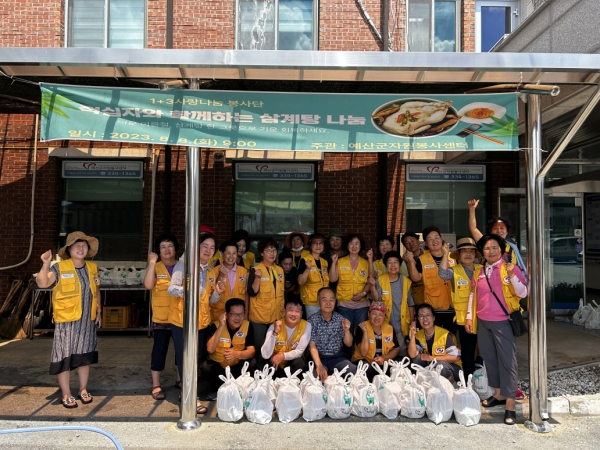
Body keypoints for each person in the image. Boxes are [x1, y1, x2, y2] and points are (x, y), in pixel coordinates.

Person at [465, 234, 528, 426]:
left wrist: (512, 275)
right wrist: (469, 317)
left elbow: (523, 292)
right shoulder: (479, 271)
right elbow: (473, 295)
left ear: (501, 249)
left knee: (508, 361)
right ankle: (498, 393)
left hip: (503, 321)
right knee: (490, 359)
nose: (491, 251)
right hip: (483, 321)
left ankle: (510, 403)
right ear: (482, 252)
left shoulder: (510, 268)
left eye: (494, 247)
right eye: (487, 248)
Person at [36, 231, 101, 409]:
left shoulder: (92, 268)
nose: (81, 248)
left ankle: (83, 389)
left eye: (84, 245)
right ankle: (66, 393)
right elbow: (42, 283)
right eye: (77, 245)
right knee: (64, 356)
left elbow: (96, 291)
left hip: (86, 321)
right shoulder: (59, 267)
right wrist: (46, 264)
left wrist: (99, 311)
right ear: (69, 249)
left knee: (85, 356)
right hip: (66, 322)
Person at [168, 233, 225, 414]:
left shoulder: (209, 271)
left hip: (201, 322)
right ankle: (192, 398)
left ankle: (186, 392)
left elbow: (209, 300)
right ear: (196, 247)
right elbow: (171, 289)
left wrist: (217, 292)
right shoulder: (183, 265)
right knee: (186, 359)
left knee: (196, 359)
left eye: (212, 248)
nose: (208, 250)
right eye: (205, 246)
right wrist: (188, 290)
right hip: (182, 321)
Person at [143, 232, 181, 401]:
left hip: (179, 316)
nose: (166, 250)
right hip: (161, 317)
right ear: (158, 251)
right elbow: (148, 285)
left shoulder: (182, 266)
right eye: (163, 247)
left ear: (175, 249)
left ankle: (180, 379)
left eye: (170, 246)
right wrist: (151, 263)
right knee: (159, 350)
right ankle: (156, 384)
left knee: (181, 350)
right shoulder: (156, 267)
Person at [438, 237, 482, 379]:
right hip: (464, 320)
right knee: (468, 351)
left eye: (471, 251)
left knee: (487, 349)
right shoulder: (454, 271)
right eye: (464, 251)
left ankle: (485, 380)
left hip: (483, 316)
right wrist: (445, 254)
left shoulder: (482, 270)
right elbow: (442, 274)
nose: (468, 254)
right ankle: (469, 381)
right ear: (459, 255)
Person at [404, 226, 457, 335]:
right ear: (426, 244)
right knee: (433, 338)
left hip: (453, 307)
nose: (434, 241)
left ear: (441, 239)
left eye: (437, 237)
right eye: (430, 239)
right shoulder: (422, 259)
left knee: (451, 338)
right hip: (433, 309)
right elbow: (416, 278)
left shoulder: (453, 256)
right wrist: (410, 262)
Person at [201, 298, 256, 399]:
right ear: (226, 314)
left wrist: (236, 354)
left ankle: (237, 389)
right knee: (206, 367)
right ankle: (218, 390)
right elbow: (210, 349)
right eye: (234, 314)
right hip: (220, 367)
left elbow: (251, 351)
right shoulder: (215, 325)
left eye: (241, 314)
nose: (238, 318)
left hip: (236, 366)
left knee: (252, 363)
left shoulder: (247, 325)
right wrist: (221, 327)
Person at [369, 250, 414, 355]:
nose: (393, 265)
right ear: (385, 265)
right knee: (385, 351)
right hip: (384, 323)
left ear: (400, 265)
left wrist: (412, 322)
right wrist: (372, 286)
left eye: (395, 262)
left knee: (402, 352)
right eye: (389, 262)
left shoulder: (406, 281)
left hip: (401, 323)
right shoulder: (380, 280)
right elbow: (376, 299)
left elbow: (411, 304)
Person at [467, 199, 527, 276]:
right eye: (495, 228)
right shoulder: (485, 242)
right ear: (490, 231)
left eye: (502, 228)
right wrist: (472, 210)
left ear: (507, 232)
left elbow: (519, 268)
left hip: (509, 281)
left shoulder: (513, 247)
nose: (499, 231)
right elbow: (473, 228)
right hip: (489, 280)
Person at [308, 287, 356, 380]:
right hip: (320, 358)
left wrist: (346, 330)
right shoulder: (312, 320)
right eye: (324, 300)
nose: (328, 303)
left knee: (352, 370)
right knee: (315, 378)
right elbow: (312, 345)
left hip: (337, 358)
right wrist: (319, 365)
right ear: (318, 302)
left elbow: (349, 343)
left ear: (335, 302)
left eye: (331, 300)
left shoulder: (340, 319)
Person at [329, 233, 373, 333]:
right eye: (351, 243)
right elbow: (332, 279)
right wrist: (334, 263)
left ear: (360, 246)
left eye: (356, 243)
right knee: (346, 332)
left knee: (360, 333)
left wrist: (363, 293)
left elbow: (371, 280)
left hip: (362, 305)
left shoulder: (365, 263)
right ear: (347, 245)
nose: (354, 246)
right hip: (344, 304)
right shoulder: (340, 261)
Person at [247, 238, 285, 351]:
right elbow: (251, 292)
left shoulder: (280, 270)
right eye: (268, 250)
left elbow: (282, 293)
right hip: (260, 316)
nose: (272, 253)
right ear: (262, 253)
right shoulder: (256, 269)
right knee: (258, 346)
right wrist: (257, 278)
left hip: (277, 316)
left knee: (274, 347)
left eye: (274, 250)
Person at [408, 304, 462, 383]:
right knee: (416, 359)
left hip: (452, 367)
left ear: (433, 318)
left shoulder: (444, 334)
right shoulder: (419, 334)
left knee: (440, 366)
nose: (425, 319)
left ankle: (449, 385)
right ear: (418, 319)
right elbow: (413, 355)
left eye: (428, 315)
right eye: (421, 316)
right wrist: (412, 335)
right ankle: (427, 383)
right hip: (432, 366)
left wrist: (431, 358)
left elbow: (455, 357)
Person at [261, 297, 312, 377]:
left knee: (299, 363)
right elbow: (265, 355)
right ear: (284, 311)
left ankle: (294, 383)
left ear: (301, 314)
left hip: (291, 363)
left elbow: (299, 351)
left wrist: (282, 356)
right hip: (275, 363)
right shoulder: (274, 326)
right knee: (264, 366)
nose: (293, 314)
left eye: (297, 311)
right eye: (290, 310)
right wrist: (275, 333)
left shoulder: (306, 326)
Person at [352, 302, 401, 381]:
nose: (377, 318)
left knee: (398, 364)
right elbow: (363, 352)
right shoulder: (361, 327)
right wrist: (365, 333)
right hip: (366, 361)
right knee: (367, 368)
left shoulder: (389, 328)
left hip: (382, 361)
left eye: (381, 315)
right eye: (374, 314)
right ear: (368, 314)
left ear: (384, 316)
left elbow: (396, 349)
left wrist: (384, 358)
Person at [209, 240, 249, 321]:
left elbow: (246, 295)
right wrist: (220, 276)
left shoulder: (244, 272)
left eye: (234, 253)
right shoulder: (213, 271)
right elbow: (211, 295)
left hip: (237, 317)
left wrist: (246, 313)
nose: (231, 256)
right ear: (222, 254)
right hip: (218, 316)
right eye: (228, 253)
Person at [297, 233, 330, 319]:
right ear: (310, 245)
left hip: (325, 301)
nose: (318, 246)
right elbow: (300, 282)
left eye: (321, 243)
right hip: (311, 303)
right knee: (313, 325)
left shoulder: (324, 262)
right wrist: (308, 269)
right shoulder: (304, 260)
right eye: (315, 243)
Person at [400, 232, 424, 298]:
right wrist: (408, 262)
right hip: (413, 294)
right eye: (407, 243)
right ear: (404, 246)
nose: (411, 244)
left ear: (418, 241)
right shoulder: (403, 261)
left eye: (412, 241)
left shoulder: (427, 255)